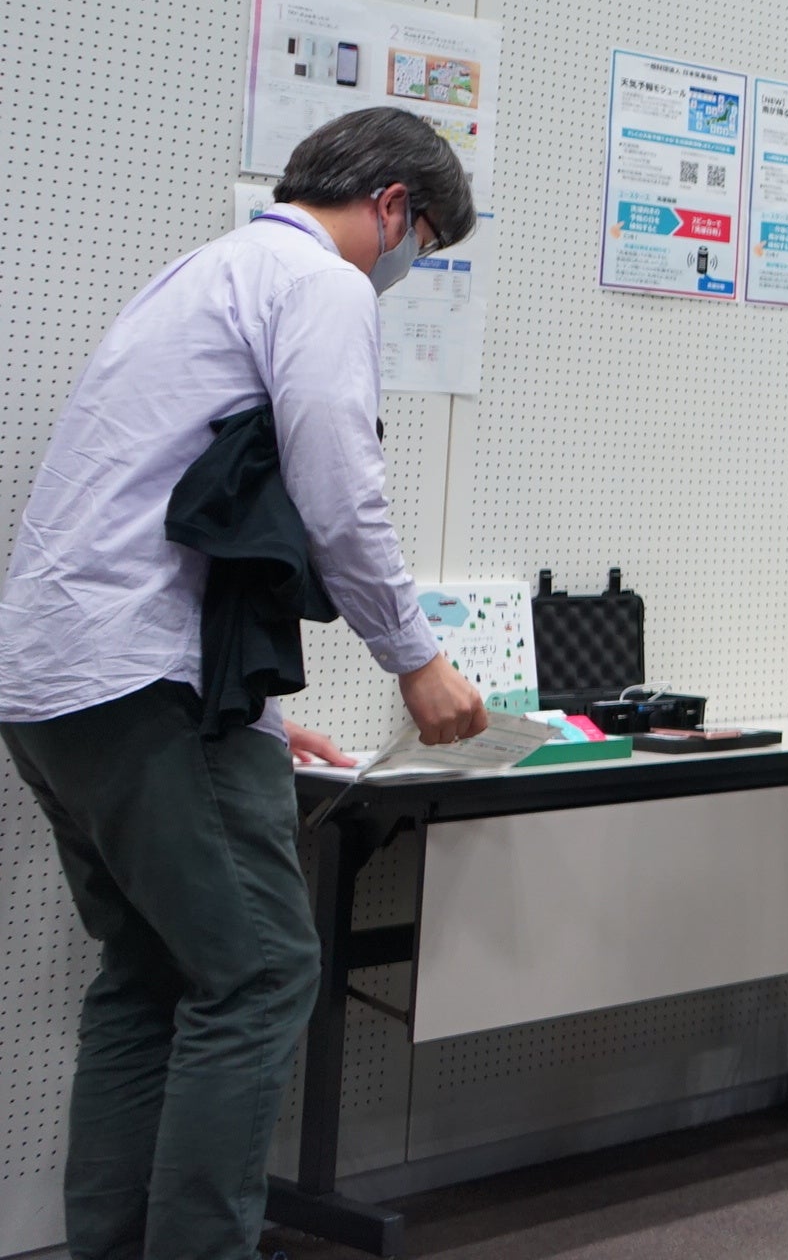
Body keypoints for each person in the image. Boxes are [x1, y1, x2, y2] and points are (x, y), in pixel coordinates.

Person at [0, 109, 490, 1260]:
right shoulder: (317, 283)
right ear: (391, 206)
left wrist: (260, 718)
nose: (407, 267)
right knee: (265, 971)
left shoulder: (207, 271)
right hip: (138, 683)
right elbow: (338, 492)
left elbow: (181, 520)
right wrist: (415, 657)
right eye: (420, 242)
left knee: (154, 970)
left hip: (65, 681)